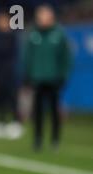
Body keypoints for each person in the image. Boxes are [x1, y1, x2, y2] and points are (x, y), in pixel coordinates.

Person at [23, 4, 71, 151]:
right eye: (40, 16)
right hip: (37, 78)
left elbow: (65, 57)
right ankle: (38, 139)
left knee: (55, 111)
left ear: (51, 17)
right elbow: (27, 57)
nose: (42, 19)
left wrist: (63, 75)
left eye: (45, 16)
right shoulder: (33, 34)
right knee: (37, 112)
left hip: (54, 79)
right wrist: (28, 75)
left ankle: (55, 140)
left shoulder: (59, 34)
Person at [0, 10, 23, 140]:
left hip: (9, 73)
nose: (0, 23)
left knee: (12, 97)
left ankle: (16, 123)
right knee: (0, 98)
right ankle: (0, 123)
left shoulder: (12, 36)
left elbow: (11, 55)